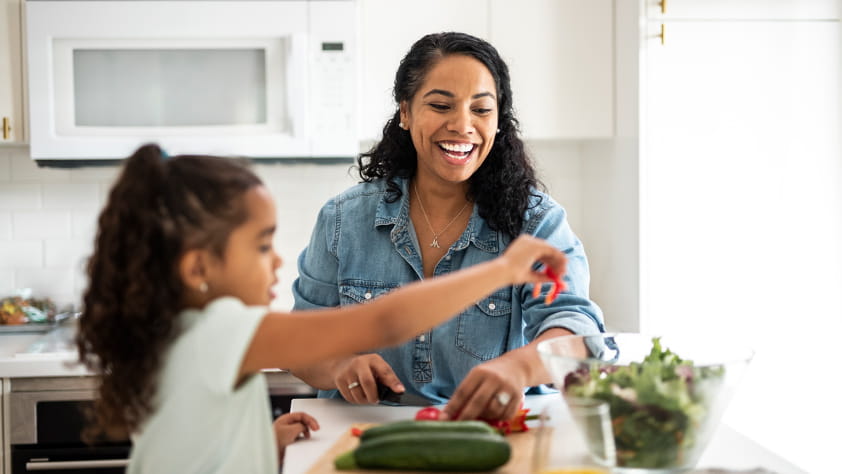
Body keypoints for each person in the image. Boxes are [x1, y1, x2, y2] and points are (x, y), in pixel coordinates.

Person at [75, 143, 568, 474]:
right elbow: (385, 320)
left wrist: (259, 443)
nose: (277, 260)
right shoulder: (225, 330)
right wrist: (505, 268)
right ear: (198, 267)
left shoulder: (179, 333)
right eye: (262, 246)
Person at [291, 31, 605, 422]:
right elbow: (300, 343)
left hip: (494, 429)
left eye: (481, 110)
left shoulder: (537, 221)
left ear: (499, 120)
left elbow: (576, 333)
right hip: (365, 428)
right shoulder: (343, 220)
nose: (462, 125)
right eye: (441, 105)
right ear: (405, 112)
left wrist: (518, 368)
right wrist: (338, 367)